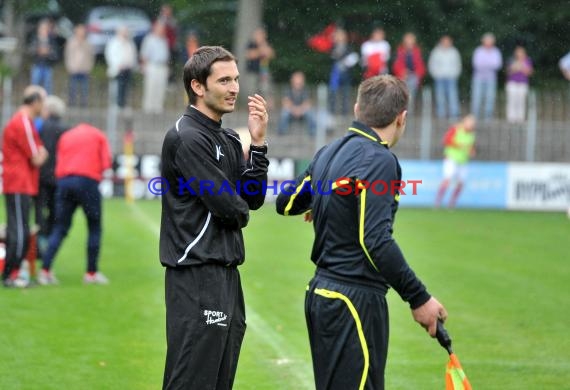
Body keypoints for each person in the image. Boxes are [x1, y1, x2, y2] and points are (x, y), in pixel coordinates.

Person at [276, 75, 447, 389]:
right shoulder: (381, 160)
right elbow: (375, 240)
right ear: (402, 118)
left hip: (321, 295)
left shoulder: (328, 152)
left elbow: (286, 203)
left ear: (357, 108)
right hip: (354, 301)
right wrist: (419, 298)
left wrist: (329, 198)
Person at [160, 46, 269, 389]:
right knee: (192, 379)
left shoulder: (230, 137)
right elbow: (230, 208)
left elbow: (251, 201)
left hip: (226, 273)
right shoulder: (187, 137)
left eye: (236, 79)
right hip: (195, 273)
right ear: (198, 86)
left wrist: (260, 144)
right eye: (224, 80)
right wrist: (236, 207)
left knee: (219, 380)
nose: (235, 87)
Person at [38, 123, 112, 285]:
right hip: (87, 182)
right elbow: (106, 163)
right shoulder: (98, 135)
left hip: (65, 182)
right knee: (94, 227)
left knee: (59, 228)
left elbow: (58, 160)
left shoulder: (65, 136)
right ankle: (91, 273)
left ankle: (45, 270)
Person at [2, 85, 49, 288]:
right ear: (36, 101)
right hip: (19, 183)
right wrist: (42, 154)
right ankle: (13, 273)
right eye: (43, 101)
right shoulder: (23, 122)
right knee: (20, 229)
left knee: (18, 227)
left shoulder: (23, 121)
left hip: (17, 182)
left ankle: (11, 272)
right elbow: (38, 157)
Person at [36, 95, 69, 256]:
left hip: (40, 176)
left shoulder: (40, 126)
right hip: (58, 177)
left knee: (38, 211)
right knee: (55, 213)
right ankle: (48, 242)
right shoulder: (65, 129)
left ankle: (38, 244)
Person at [435, 114, 477, 209]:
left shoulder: (472, 134)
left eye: (473, 124)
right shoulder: (456, 129)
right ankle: (438, 202)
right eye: (470, 123)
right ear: (465, 122)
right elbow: (446, 140)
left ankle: (452, 203)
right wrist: (458, 145)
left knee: (461, 182)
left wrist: (471, 151)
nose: (471, 126)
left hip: (463, 161)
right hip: (451, 159)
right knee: (447, 179)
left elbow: (470, 147)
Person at [428, 35, 462, 119]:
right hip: (439, 78)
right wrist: (436, 75)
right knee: (440, 96)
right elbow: (432, 64)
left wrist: (454, 74)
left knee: (453, 96)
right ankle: (441, 114)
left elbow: (458, 65)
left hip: (451, 78)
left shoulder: (454, 52)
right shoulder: (436, 52)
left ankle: (454, 114)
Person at [471, 33, 502, 120]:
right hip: (478, 78)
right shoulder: (478, 51)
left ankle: (488, 118)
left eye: (490, 41)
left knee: (490, 99)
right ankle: (474, 118)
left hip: (491, 79)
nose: (488, 43)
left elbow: (498, 65)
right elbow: (476, 64)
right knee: (476, 98)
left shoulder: (496, 52)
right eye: (487, 41)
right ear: (483, 41)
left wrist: (485, 64)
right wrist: (489, 65)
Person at [140, 21, 170, 113]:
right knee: (150, 87)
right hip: (152, 65)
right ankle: (148, 108)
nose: (162, 31)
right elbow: (144, 55)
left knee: (161, 87)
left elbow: (166, 55)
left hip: (162, 66)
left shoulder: (164, 40)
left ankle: (158, 107)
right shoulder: (149, 39)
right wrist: (144, 67)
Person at [104, 26, 138, 108]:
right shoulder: (114, 42)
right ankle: (116, 104)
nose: (125, 33)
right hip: (118, 70)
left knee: (126, 88)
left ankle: (123, 104)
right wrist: (117, 65)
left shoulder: (130, 43)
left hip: (127, 69)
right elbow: (110, 55)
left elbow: (133, 55)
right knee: (118, 87)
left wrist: (131, 64)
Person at [328, 27, 358, 115]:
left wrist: (345, 62)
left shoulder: (349, 47)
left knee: (345, 93)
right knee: (333, 93)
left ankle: (344, 113)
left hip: (346, 74)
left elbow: (353, 59)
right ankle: (332, 112)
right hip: (335, 75)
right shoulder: (333, 47)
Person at [64, 24, 95, 107]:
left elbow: (91, 57)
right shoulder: (71, 42)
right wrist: (70, 67)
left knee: (84, 89)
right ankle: (71, 104)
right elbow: (68, 55)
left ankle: (83, 105)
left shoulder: (88, 43)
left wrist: (89, 67)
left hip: (84, 70)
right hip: (74, 69)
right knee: (72, 89)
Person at [278, 71, 316, 135]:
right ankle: (281, 133)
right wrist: (294, 110)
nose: (298, 82)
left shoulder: (306, 90)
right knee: (284, 113)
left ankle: (312, 133)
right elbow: (286, 102)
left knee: (310, 113)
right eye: (296, 79)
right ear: (292, 80)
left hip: (302, 111)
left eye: (300, 80)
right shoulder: (287, 89)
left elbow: (307, 103)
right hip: (291, 111)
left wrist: (300, 110)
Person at [392, 32, 426, 101]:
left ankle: (409, 107)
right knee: (402, 93)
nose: (409, 45)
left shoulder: (417, 52)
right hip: (402, 76)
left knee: (411, 92)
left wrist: (416, 74)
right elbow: (396, 66)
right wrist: (403, 72)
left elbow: (421, 67)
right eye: (407, 42)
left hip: (413, 76)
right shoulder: (399, 51)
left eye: (411, 43)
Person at [29, 19, 59, 94]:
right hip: (37, 65)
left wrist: (48, 53)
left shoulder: (52, 40)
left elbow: (56, 55)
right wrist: (38, 51)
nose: (44, 30)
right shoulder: (35, 39)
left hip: (47, 65)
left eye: (45, 29)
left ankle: (47, 102)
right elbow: (30, 52)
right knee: (35, 86)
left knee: (48, 86)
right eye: (42, 28)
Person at [505, 46, 533, 123]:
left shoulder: (527, 61)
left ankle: (520, 118)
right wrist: (515, 67)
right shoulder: (511, 60)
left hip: (523, 83)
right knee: (512, 100)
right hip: (512, 83)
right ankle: (511, 118)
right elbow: (508, 72)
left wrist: (522, 67)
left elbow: (529, 72)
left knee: (521, 101)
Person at [245, 26, 275, 98]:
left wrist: (262, 47)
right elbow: (249, 55)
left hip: (263, 71)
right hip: (252, 71)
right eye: (258, 34)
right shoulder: (251, 44)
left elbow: (271, 54)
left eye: (261, 35)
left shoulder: (265, 44)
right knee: (252, 91)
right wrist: (261, 51)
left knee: (265, 90)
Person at [157, 3, 178, 83]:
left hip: (171, 45)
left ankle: (171, 80)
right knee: (165, 62)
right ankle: (165, 79)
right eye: (166, 11)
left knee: (171, 63)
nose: (167, 12)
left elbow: (175, 30)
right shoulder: (160, 20)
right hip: (162, 46)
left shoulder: (172, 20)